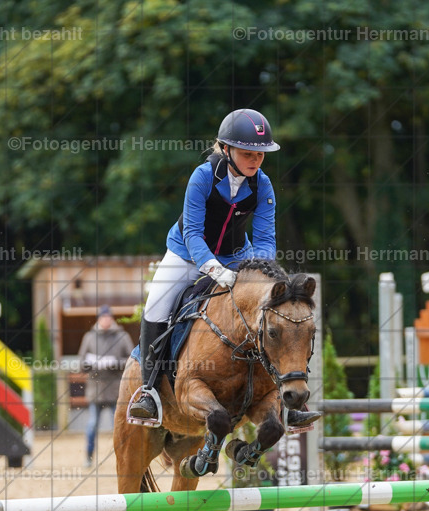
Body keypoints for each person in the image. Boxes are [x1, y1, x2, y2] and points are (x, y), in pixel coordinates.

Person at [127, 108, 320, 430]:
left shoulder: (263, 184)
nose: (255, 160)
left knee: (276, 312)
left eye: (260, 154)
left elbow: (264, 238)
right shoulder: (202, 176)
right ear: (226, 149)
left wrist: (260, 273)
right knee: (156, 307)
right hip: (186, 255)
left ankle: (289, 399)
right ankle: (149, 392)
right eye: (248, 153)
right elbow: (192, 232)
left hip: (237, 257)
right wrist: (211, 268)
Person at [78, 305, 133, 466]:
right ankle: (88, 456)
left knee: (120, 427)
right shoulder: (89, 337)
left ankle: (124, 458)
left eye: (108, 317)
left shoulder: (122, 336)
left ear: (112, 319)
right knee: (92, 425)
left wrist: (114, 363)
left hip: (117, 391)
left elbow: (132, 361)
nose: (106, 320)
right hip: (95, 391)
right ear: (99, 319)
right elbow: (81, 364)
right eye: (103, 317)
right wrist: (91, 364)